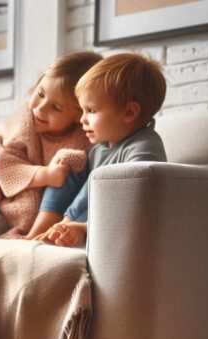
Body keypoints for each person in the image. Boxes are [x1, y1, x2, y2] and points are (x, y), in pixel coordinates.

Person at [0, 51, 103, 239]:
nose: (41, 107)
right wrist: (45, 175)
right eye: (40, 94)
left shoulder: (82, 138)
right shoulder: (22, 123)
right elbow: (4, 165)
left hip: (33, 216)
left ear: (78, 115)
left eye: (56, 107)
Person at [33, 53, 168, 247]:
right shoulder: (100, 149)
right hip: (83, 219)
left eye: (91, 111)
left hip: (106, 228)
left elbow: (134, 206)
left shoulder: (144, 148)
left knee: (100, 180)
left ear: (129, 112)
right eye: (83, 110)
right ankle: (50, 228)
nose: (82, 120)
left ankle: (72, 228)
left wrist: (84, 228)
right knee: (70, 164)